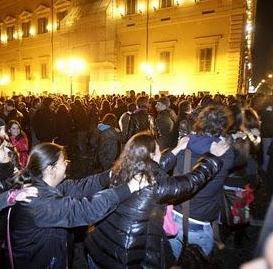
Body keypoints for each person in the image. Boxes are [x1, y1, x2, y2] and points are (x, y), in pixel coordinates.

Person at [85, 132, 228, 268]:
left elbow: (156, 167)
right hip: (123, 258)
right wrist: (212, 158)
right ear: (152, 155)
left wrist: (177, 149)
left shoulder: (121, 171)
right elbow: (190, 183)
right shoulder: (153, 188)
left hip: (98, 248)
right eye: (159, 149)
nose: (161, 151)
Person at [9, 142, 145, 268]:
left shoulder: (46, 185)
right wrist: (130, 187)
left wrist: (112, 173)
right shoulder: (37, 201)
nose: (67, 164)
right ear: (51, 169)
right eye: (64, 162)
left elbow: (81, 187)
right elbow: (85, 210)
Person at [169, 104, 235, 258]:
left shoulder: (184, 143)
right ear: (225, 125)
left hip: (175, 215)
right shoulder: (226, 152)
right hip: (200, 221)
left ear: (200, 121)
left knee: (171, 261)